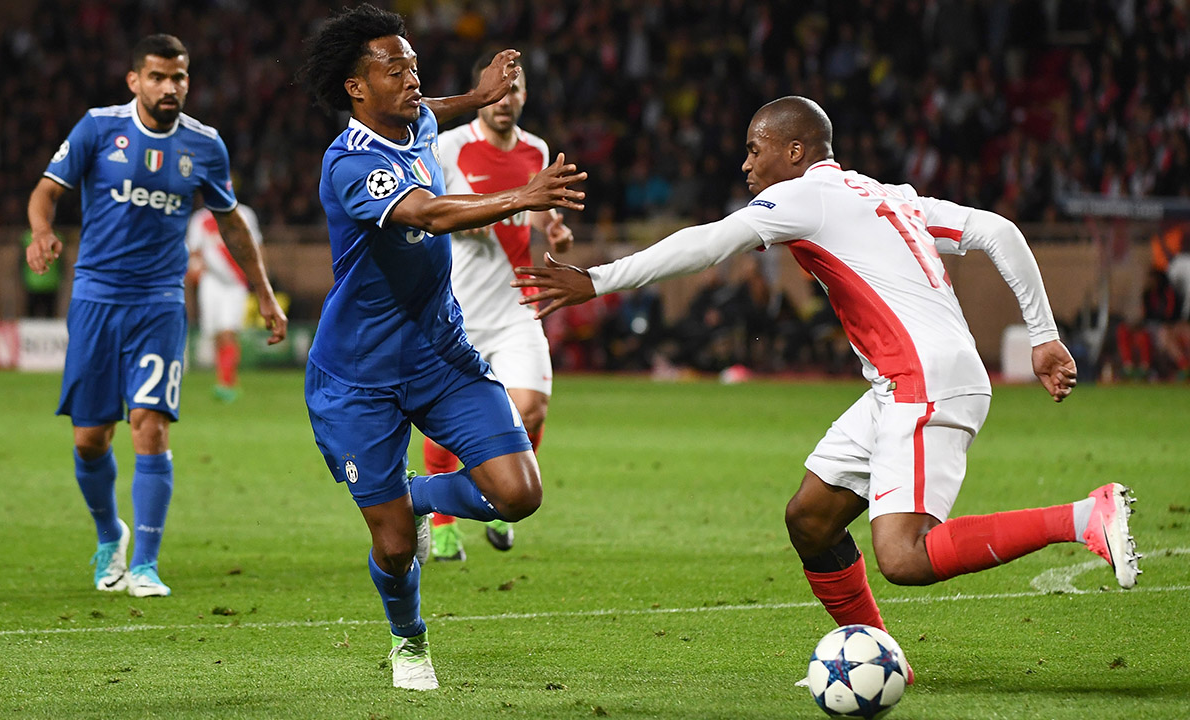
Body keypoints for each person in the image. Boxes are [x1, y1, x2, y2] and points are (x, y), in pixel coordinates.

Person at [513, 96, 1140, 680]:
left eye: (755, 148)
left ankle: (1084, 516)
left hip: (922, 380)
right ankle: (878, 657)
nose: (746, 163)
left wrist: (597, 279)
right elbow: (999, 231)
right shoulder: (888, 194)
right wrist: (1043, 335)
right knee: (811, 519)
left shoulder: (805, 196)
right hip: (902, 381)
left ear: (795, 151)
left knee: (904, 556)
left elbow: (710, 242)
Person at [298, 5, 585, 691]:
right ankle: (409, 640)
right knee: (396, 547)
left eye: (414, 66)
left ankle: (414, 493)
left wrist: (478, 97)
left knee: (519, 495)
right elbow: (426, 212)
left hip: (440, 354)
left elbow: (433, 110)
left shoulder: (416, 122)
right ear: (355, 89)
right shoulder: (351, 163)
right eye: (394, 69)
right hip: (358, 376)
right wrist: (522, 196)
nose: (412, 79)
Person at [26, 34, 287, 598]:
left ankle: (145, 564)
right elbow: (46, 191)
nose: (170, 87)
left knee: (150, 424)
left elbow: (231, 223)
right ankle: (109, 536)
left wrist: (263, 293)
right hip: (96, 298)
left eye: (179, 77)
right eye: (158, 77)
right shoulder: (98, 127)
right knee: (90, 438)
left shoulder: (204, 144)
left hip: (159, 302)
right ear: (135, 81)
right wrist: (42, 231)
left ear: (187, 81)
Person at [424, 54, 575, 562]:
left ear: (524, 97)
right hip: (457, 309)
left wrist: (554, 231)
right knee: (447, 422)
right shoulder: (450, 146)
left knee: (531, 407)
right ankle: (443, 522)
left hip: (515, 308)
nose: (506, 100)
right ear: (483, 95)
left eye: (516, 90)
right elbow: (436, 211)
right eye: (499, 90)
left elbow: (538, 214)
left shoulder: (536, 150)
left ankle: (500, 496)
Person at [186, 202, 264, 401]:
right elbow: (194, 251)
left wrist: (260, 279)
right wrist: (194, 269)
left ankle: (227, 382)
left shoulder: (244, 214)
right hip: (210, 281)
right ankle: (223, 379)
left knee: (229, 331)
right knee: (216, 334)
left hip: (236, 281)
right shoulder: (201, 219)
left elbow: (255, 246)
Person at [20, 229, 63, 318]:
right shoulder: (26, 238)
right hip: (33, 283)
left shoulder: (58, 238)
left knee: (49, 316)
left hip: (50, 283)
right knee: (32, 316)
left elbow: (62, 263)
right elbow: (21, 262)